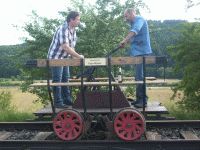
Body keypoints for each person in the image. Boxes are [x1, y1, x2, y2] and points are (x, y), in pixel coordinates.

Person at [47, 11, 84, 108]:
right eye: (78, 20)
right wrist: (79, 57)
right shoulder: (63, 29)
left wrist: (75, 58)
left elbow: (72, 47)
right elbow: (66, 47)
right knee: (57, 81)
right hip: (56, 58)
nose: (79, 22)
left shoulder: (73, 30)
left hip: (65, 58)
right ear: (71, 20)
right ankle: (58, 103)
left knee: (66, 79)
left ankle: (67, 100)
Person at [119, 8, 152, 108]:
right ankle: (139, 99)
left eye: (126, 16)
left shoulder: (139, 20)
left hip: (141, 52)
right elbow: (134, 36)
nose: (126, 18)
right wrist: (126, 42)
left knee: (140, 77)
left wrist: (124, 40)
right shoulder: (133, 23)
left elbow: (134, 31)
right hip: (137, 53)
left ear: (131, 13)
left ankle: (142, 101)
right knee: (138, 77)